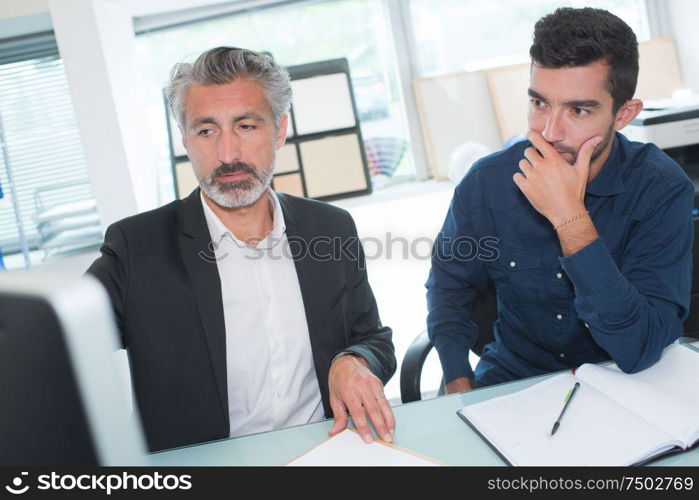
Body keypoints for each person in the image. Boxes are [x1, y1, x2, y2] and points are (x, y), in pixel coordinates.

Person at [87, 47, 396, 451]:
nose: (228, 154)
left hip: (322, 451)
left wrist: (352, 360)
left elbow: (373, 338)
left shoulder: (332, 228)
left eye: (246, 126)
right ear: (185, 140)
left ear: (280, 130)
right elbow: (55, 351)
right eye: (206, 131)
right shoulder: (136, 246)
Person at [426, 7, 694, 393]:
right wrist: (456, 378)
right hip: (516, 380)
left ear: (624, 114)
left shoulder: (661, 189)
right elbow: (449, 287)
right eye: (539, 103)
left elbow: (638, 347)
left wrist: (570, 217)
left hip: (626, 380)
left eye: (579, 110)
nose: (549, 132)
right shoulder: (486, 183)